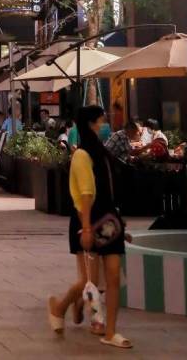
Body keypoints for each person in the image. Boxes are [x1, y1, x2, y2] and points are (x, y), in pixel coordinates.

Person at [47, 104, 131, 349]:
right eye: (102, 121)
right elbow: (86, 193)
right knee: (89, 279)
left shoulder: (102, 153)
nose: (105, 125)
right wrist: (85, 228)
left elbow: (108, 190)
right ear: (91, 124)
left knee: (112, 276)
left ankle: (110, 331)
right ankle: (63, 307)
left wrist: (119, 223)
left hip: (109, 221)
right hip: (89, 220)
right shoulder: (82, 155)